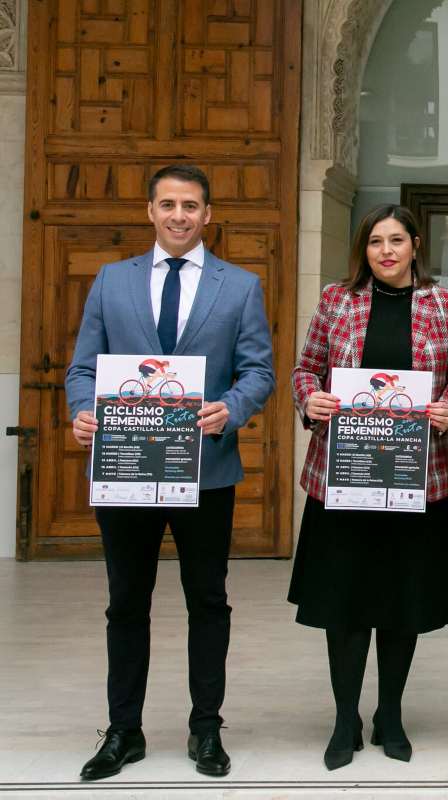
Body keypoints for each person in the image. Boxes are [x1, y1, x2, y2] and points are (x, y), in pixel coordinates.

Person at [65, 165, 275, 781]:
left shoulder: (240, 286)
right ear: (149, 211)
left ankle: (205, 729)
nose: (178, 215)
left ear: (208, 215)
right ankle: (123, 731)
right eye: (167, 204)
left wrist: (230, 409)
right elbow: (83, 369)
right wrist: (83, 412)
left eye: (190, 205)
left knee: (207, 602)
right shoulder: (111, 280)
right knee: (125, 603)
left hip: (206, 472)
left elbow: (258, 371)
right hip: (126, 471)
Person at [289, 204, 448, 770]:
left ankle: (390, 712)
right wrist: (309, 399)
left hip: (418, 479)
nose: (385, 251)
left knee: (402, 600)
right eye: (374, 242)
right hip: (344, 477)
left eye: (396, 240)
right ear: (363, 250)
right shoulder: (336, 301)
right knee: (343, 602)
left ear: (416, 244)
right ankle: (345, 716)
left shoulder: (446, 306)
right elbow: (306, 368)